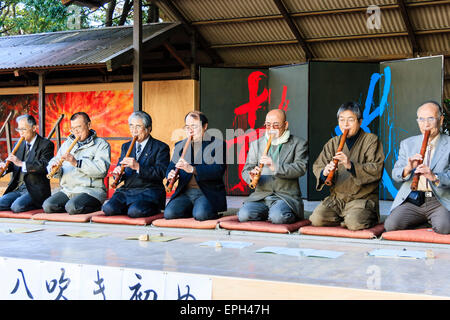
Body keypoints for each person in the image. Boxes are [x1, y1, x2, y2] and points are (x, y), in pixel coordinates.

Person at [309, 102, 384, 230]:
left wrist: (350, 165)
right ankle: (344, 217)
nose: (345, 124)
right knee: (317, 219)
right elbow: (318, 165)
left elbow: (376, 169)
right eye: (342, 120)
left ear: (360, 122)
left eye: (350, 120)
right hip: (337, 199)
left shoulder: (371, 140)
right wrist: (325, 172)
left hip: (361, 199)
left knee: (354, 223)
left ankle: (352, 218)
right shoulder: (333, 143)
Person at [384, 101, 450, 234]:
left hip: (439, 199)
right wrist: (408, 168)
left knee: (444, 228)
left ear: (441, 120)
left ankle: (432, 219)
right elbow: (395, 173)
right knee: (391, 225)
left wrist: (434, 177)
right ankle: (424, 220)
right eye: (421, 119)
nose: (426, 124)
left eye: (431, 118)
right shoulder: (408, 144)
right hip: (413, 199)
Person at [238, 109, 308, 224]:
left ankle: (276, 213)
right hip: (261, 196)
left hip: (286, 197)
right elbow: (246, 169)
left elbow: (300, 168)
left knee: (279, 217)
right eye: (268, 125)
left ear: (285, 125)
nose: (271, 129)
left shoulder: (299, 143)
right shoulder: (256, 144)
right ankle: (269, 213)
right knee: (244, 215)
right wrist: (251, 176)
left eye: (276, 125)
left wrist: (275, 167)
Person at [102, 111, 170, 218]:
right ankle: (129, 207)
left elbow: (161, 172)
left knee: (135, 211)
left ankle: (152, 208)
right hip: (128, 191)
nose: (134, 130)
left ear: (148, 129)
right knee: (108, 208)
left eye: (138, 127)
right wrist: (118, 174)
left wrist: (138, 167)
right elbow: (123, 171)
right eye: (131, 126)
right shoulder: (126, 146)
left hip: (150, 191)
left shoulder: (161, 147)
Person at [43, 112, 110, 215]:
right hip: (68, 190)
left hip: (91, 191)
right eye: (73, 129)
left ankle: (96, 206)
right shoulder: (67, 144)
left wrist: (76, 163)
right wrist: (54, 168)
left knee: (72, 206)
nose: (76, 132)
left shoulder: (101, 144)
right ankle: (72, 207)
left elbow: (101, 170)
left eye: (79, 127)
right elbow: (54, 160)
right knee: (48, 206)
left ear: (88, 125)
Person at [164, 111, 227, 221]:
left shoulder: (218, 144)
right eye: (187, 127)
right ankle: (192, 208)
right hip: (185, 192)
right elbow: (171, 166)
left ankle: (204, 209)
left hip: (206, 192)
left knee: (201, 215)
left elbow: (218, 170)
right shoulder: (180, 145)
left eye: (194, 126)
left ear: (205, 126)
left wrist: (192, 169)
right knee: (169, 213)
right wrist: (170, 174)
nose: (190, 130)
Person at [0, 115, 54, 212]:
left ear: (34, 128)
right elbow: (12, 164)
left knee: (17, 207)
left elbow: (44, 166)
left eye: (23, 129)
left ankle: (37, 204)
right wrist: (4, 168)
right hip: (17, 188)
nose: (20, 133)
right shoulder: (18, 144)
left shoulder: (46, 144)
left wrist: (21, 163)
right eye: (18, 129)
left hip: (34, 191)